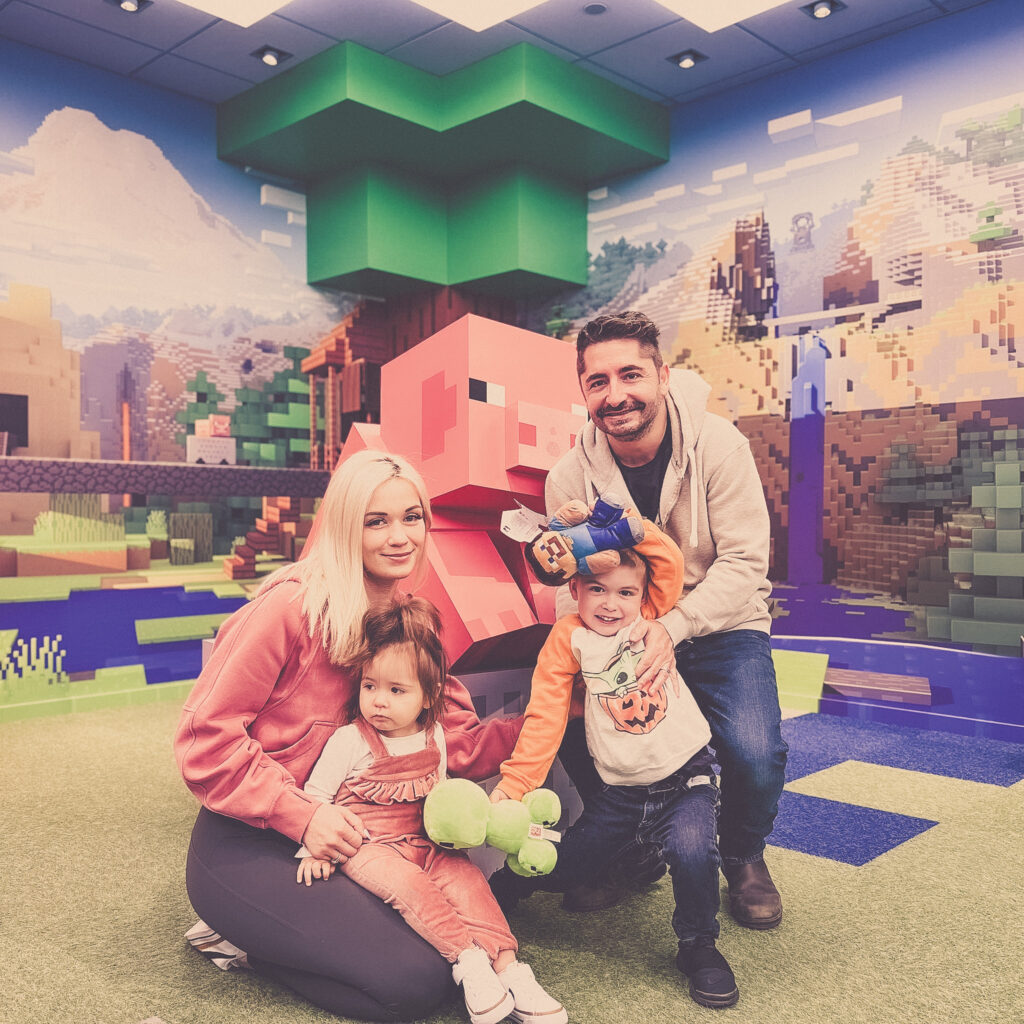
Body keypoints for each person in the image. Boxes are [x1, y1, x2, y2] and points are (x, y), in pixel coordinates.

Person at [174, 449, 522, 1022]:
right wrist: (304, 816)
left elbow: (451, 742)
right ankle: (240, 940)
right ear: (344, 525)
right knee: (410, 988)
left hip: (364, 845)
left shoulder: (414, 620)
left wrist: (556, 719)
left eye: (412, 517)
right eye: (376, 520)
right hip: (253, 842)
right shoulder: (289, 608)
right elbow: (203, 740)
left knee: (451, 957)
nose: (400, 537)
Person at [543, 310, 788, 930]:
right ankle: (641, 849)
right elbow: (573, 583)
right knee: (578, 728)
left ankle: (742, 856)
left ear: (662, 375)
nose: (615, 394)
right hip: (622, 631)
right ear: (583, 392)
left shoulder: (720, 444)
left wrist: (674, 627)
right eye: (597, 381)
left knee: (755, 751)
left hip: (721, 622)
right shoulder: (567, 477)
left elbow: (744, 564)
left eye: (630, 375)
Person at [489, 522, 739, 1009]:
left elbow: (668, 559)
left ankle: (698, 946)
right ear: (575, 589)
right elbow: (546, 717)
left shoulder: (650, 619)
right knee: (571, 863)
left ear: (643, 595)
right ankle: (506, 887)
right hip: (623, 793)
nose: (610, 603)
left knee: (693, 854)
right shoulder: (568, 640)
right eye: (597, 590)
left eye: (625, 591)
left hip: (687, 776)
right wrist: (515, 785)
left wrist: (624, 523)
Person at [294, 597, 566, 1024]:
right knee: (409, 886)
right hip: (369, 844)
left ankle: (510, 968)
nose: (379, 701)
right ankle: (468, 962)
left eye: (396, 690)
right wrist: (314, 850)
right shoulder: (350, 740)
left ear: (429, 695)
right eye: (370, 686)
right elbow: (315, 798)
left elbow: (437, 795)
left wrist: (457, 834)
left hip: (423, 837)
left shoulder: (434, 736)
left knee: (467, 880)